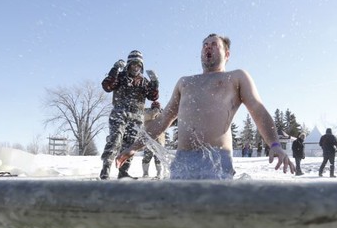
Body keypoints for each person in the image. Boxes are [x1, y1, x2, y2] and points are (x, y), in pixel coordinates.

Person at [116, 33, 292, 179]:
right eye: (204, 45)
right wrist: (134, 147)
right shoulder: (185, 82)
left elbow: (258, 110)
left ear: (227, 54)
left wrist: (275, 144)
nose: (208, 47)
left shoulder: (236, 77)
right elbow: (163, 120)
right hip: (182, 163)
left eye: (214, 44)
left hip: (216, 162)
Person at [100, 50, 159, 179]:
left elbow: (153, 97)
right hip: (119, 113)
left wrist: (155, 82)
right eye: (133, 64)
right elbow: (107, 86)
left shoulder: (144, 82)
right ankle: (106, 168)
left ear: (141, 66)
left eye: (138, 65)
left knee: (130, 145)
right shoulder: (120, 77)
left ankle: (123, 172)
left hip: (136, 116)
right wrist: (115, 69)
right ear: (128, 65)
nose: (135, 67)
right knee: (116, 140)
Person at [142, 101, 164, 179]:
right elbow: (148, 119)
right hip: (149, 138)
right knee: (147, 157)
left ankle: (159, 173)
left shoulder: (162, 114)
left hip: (159, 139)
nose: (156, 108)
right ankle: (145, 173)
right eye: (154, 106)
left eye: (157, 106)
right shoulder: (147, 113)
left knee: (159, 158)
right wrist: (154, 112)